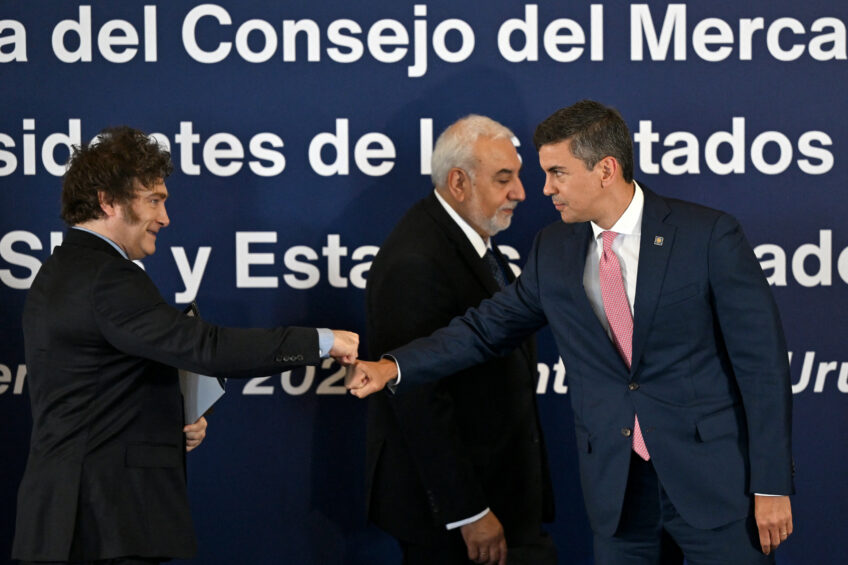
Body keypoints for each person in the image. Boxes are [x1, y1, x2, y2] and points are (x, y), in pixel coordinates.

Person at [347, 100, 794, 564]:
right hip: (619, 495)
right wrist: (394, 366)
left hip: (714, 488)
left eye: (558, 173)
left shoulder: (707, 236)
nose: (545, 189)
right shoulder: (555, 248)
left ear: (605, 169)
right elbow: (484, 330)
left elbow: (762, 367)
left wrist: (771, 483)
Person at [12, 126, 359, 565]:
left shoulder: (64, 269)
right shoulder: (108, 278)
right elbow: (205, 347)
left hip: (75, 518)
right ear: (108, 202)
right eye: (154, 200)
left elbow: (97, 388)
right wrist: (321, 341)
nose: (165, 218)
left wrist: (171, 419)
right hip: (102, 523)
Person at [365, 115, 555, 565]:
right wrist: (467, 511)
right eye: (504, 179)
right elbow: (417, 396)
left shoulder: (470, 239)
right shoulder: (417, 260)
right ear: (458, 182)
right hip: (458, 521)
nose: (521, 193)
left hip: (502, 497)